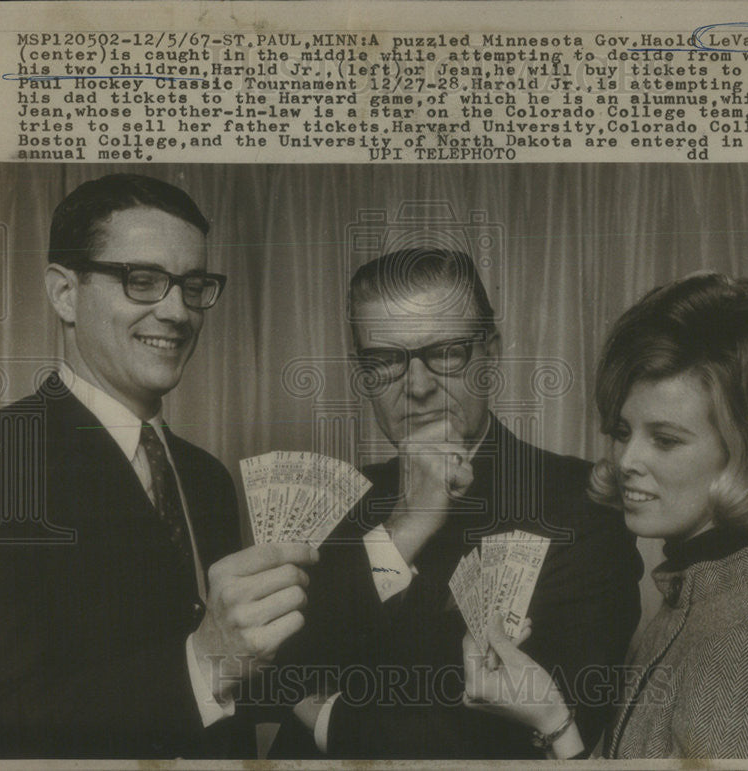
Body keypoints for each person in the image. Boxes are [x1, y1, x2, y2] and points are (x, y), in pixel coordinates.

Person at [0, 174, 317, 758]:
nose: (177, 312)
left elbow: (230, 685)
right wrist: (204, 661)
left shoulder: (206, 476)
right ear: (64, 292)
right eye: (142, 280)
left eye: (193, 286)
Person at [461, 273, 748, 759]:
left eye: (665, 440)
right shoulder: (705, 592)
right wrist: (550, 716)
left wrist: (553, 721)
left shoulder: (743, 645)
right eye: (623, 431)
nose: (626, 460)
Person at [270, 248, 643, 758]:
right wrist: (404, 531)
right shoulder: (341, 498)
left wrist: (330, 720)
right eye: (385, 361)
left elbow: (559, 722)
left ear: (490, 352)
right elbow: (280, 672)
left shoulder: (581, 506)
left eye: (445, 352)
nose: (418, 387)